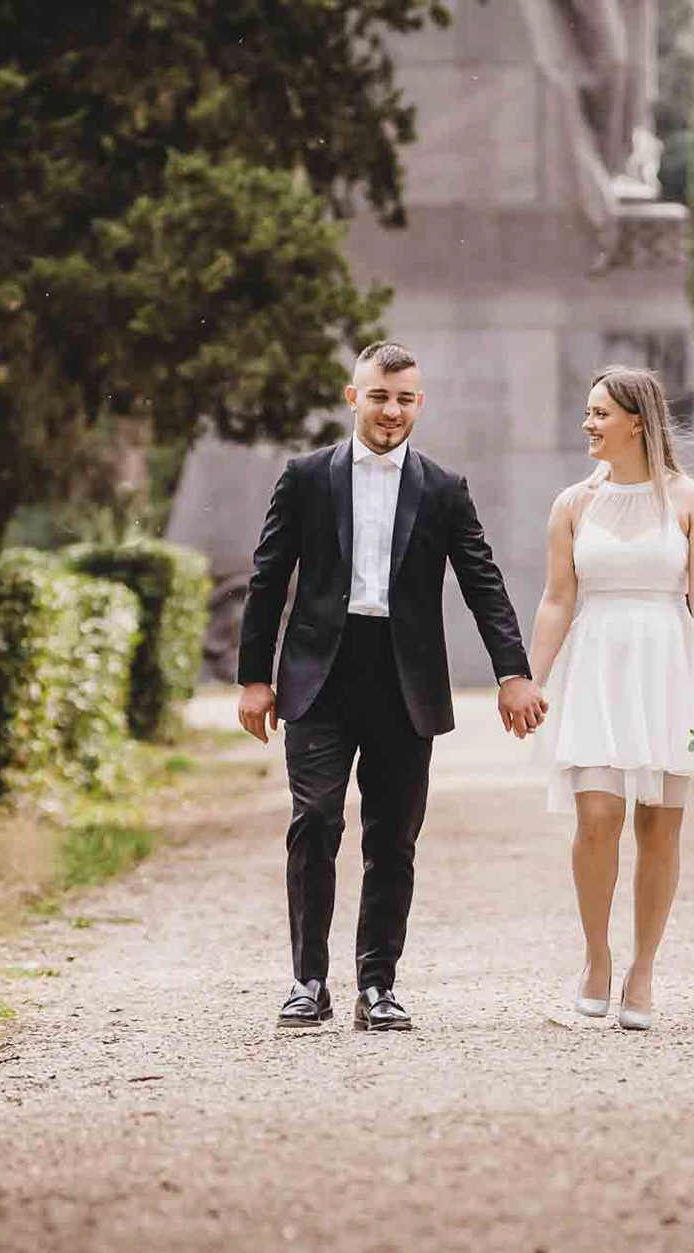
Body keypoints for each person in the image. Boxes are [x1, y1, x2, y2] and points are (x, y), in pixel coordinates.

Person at [237, 340, 548, 1032]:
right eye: (379, 396)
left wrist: (512, 672)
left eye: (405, 399)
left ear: (419, 405)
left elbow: (483, 583)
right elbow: (267, 579)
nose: (391, 410)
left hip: (406, 681)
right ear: (354, 398)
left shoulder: (443, 488)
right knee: (314, 821)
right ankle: (307, 981)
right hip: (319, 675)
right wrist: (255, 678)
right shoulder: (305, 477)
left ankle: (377, 985)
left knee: (393, 839)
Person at [525, 366, 694, 1032]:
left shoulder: (692, 500)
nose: (587, 424)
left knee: (661, 826)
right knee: (595, 818)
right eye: (587, 413)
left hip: (667, 660)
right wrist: (530, 680)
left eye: (598, 414)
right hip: (596, 664)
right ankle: (596, 958)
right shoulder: (573, 504)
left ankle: (644, 970)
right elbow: (558, 598)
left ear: (636, 421)